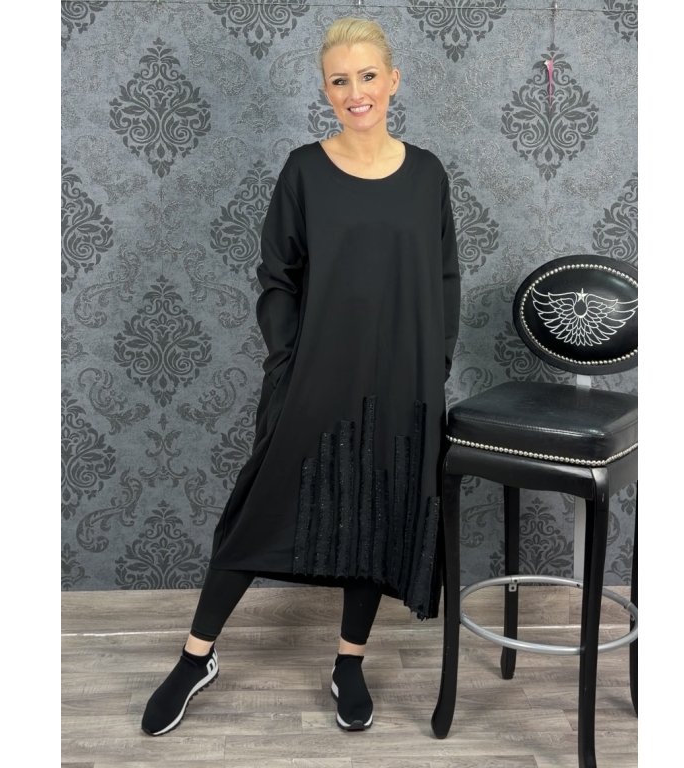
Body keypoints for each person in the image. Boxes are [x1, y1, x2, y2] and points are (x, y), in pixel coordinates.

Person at [141, 17, 461, 736]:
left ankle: (349, 662)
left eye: (367, 76)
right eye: (340, 80)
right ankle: (195, 658)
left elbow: (445, 277)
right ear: (325, 89)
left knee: (374, 515)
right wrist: (287, 361)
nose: (356, 92)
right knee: (257, 513)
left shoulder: (427, 174)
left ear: (393, 80)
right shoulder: (305, 171)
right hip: (315, 373)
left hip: (403, 380)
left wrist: (434, 365)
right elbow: (277, 278)